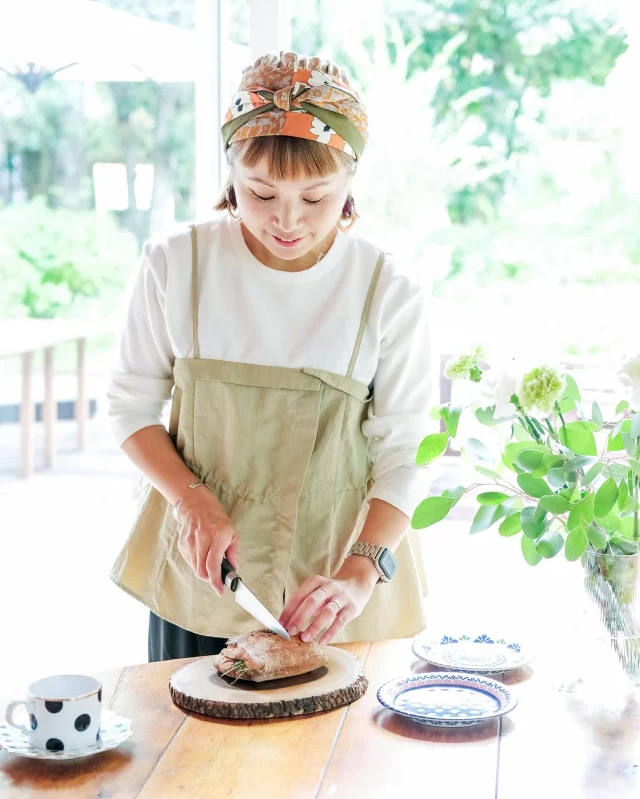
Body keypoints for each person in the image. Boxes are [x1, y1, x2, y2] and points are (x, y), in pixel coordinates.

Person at [107, 51, 437, 663]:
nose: (287, 221)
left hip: (335, 586)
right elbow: (130, 403)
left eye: (316, 198)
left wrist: (361, 571)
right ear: (230, 171)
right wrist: (192, 500)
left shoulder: (386, 286)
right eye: (260, 193)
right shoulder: (176, 262)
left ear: (350, 183)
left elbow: (408, 447)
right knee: (190, 753)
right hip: (203, 576)